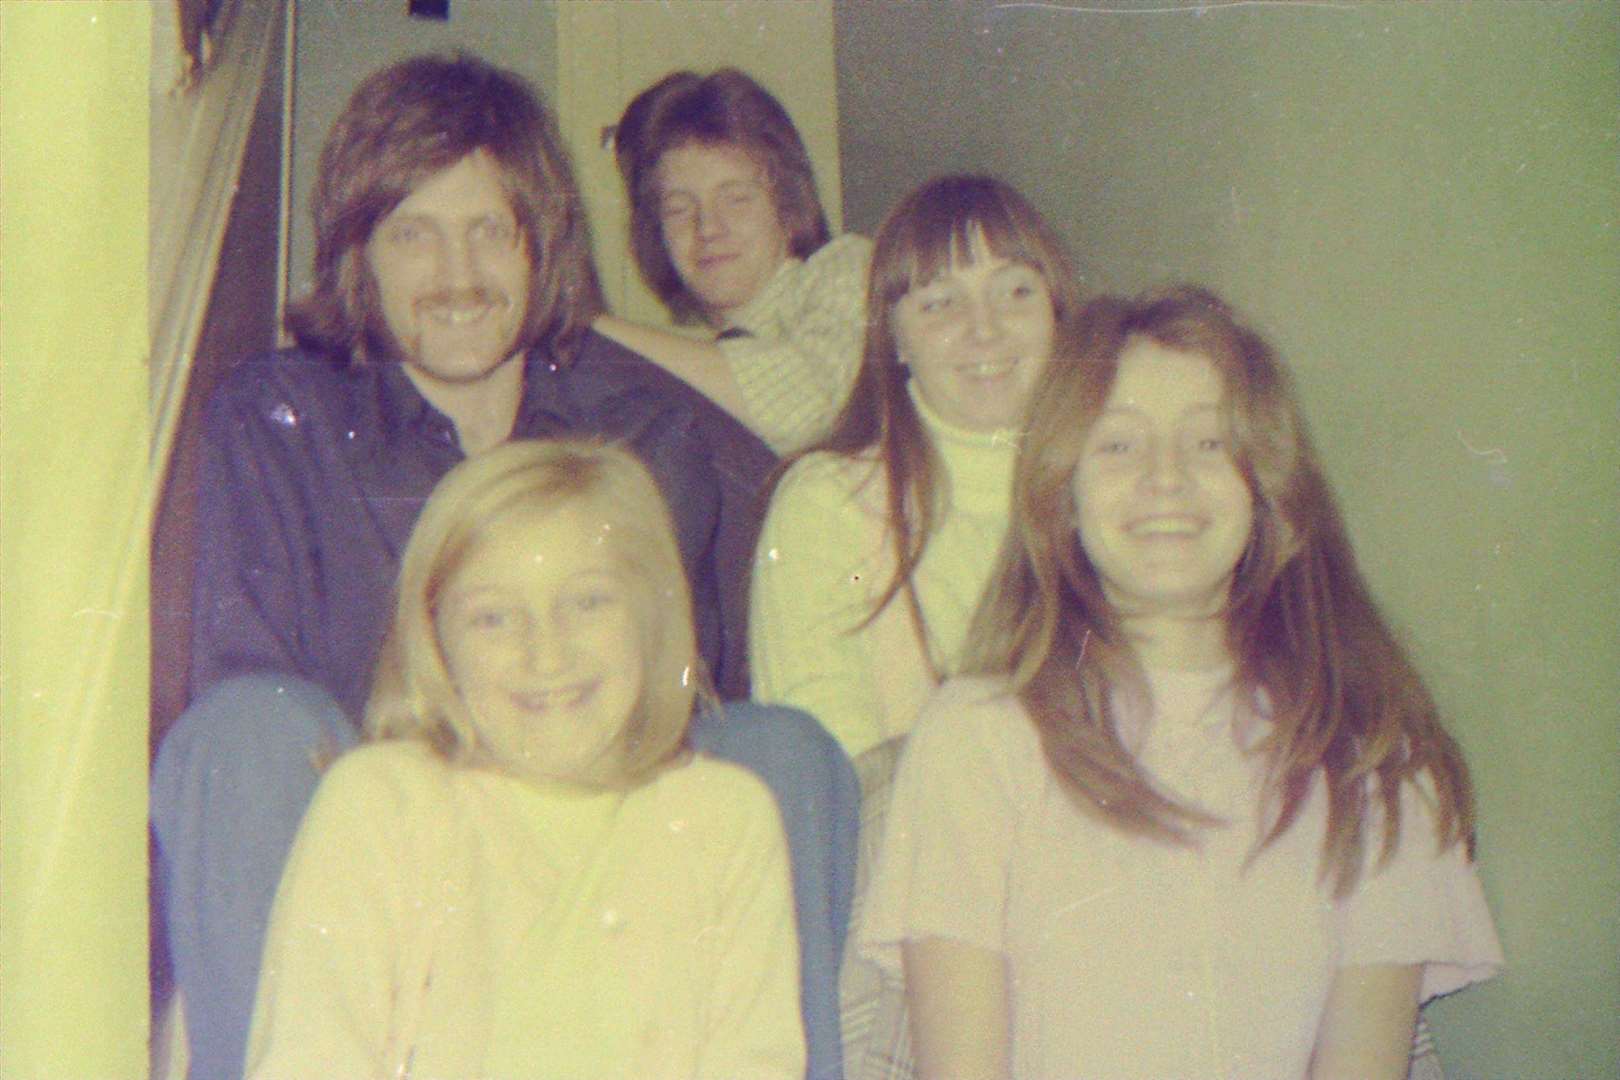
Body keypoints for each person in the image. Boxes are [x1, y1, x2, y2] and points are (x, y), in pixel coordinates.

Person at [150, 54, 856, 1080]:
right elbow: (256, 689)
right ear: (360, 255)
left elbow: (672, 700)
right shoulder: (279, 418)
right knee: (241, 732)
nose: (459, 274)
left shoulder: (642, 429)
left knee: (784, 750)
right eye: (414, 234)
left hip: (596, 821)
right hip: (390, 840)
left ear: (543, 243)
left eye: (491, 229)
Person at [860, 286, 1504, 1079]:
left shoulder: (1370, 749)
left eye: (1208, 444)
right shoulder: (976, 738)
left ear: (1267, 488)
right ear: (1060, 494)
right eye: (1119, 446)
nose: (1165, 478)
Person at [246, 440, 805, 1079]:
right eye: (493, 618)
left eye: (589, 602)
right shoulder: (383, 801)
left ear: (652, 616)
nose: (546, 653)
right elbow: (311, 1058)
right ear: (435, 643)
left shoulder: (725, 819)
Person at [749, 176, 1083, 760]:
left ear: (1058, 314)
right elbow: (835, 776)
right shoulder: (829, 504)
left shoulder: (1112, 496)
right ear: (895, 338)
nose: (985, 329)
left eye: (1015, 292)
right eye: (940, 302)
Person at [594, 68, 871, 456]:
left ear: (789, 205)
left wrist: (591, 327)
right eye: (678, 209)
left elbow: (805, 405)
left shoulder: (848, 270)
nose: (707, 228)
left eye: (736, 198)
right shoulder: (699, 360)